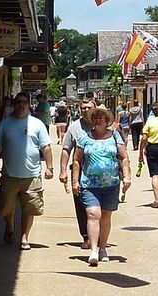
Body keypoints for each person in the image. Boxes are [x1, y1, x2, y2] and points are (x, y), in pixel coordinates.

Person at [0, 92, 53, 250]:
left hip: (31, 175)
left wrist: (49, 167)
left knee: (29, 208)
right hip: (9, 175)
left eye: (24, 102)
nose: (21, 105)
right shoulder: (5, 124)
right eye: (18, 102)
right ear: (14, 104)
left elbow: (45, 147)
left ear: (29, 104)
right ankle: (10, 224)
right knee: (5, 208)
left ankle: (24, 237)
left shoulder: (37, 124)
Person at [72, 105, 131, 266]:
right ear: (92, 121)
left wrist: (127, 176)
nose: (98, 120)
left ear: (107, 121)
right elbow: (77, 160)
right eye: (96, 117)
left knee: (105, 217)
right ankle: (93, 250)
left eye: (102, 118)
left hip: (111, 184)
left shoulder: (115, 137)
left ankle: (103, 247)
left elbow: (124, 157)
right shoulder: (84, 138)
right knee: (93, 214)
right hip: (89, 184)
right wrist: (75, 181)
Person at [59, 97, 95, 249]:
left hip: (101, 173)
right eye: (83, 108)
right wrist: (62, 171)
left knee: (101, 206)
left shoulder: (102, 124)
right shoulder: (74, 127)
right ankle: (87, 236)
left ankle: (98, 234)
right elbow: (66, 149)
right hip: (79, 172)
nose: (85, 110)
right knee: (82, 206)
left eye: (88, 107)